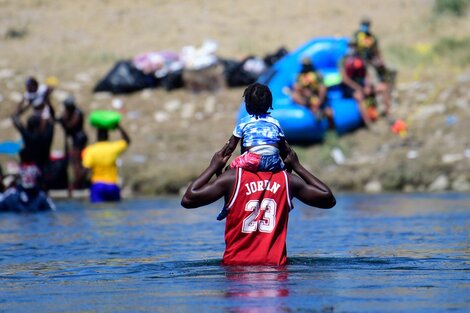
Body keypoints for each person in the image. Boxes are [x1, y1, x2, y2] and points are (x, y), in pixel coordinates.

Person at [181, 142, 335, 266]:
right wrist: (297, 166)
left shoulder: (232, 178)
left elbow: (188, 199)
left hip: (236, 270)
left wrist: (213, 167)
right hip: (275, 270)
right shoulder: (287, 180)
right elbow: (328, 199)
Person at [217, 83, 287, 220]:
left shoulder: (244, 122)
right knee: (286, 176)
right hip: (274, 161)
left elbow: (231, 146)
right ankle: (287, 196)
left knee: (227, 171)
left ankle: (227, 205)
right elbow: (283, 147)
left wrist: (220, 159)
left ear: (247, 105)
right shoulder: (275, 122)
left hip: (252, 159)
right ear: (269, 104)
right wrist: (287, 168)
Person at [353, 17, 392, 116]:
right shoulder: (357, 36)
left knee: (377, 82)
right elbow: (352, 48)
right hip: (359, 63)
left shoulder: (372, 37)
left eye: (367, 25)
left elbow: (376, 50)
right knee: (367, 83)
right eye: (364, 24)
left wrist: (381, 61)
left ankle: (384, 108)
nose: (365, 27)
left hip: (369, 62)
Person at [82, 124, 131, 203]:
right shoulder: (113, 147)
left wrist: (84, 183)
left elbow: (86, 169)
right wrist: (118, 127)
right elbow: (127, 140)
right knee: (114, 210)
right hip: (112, 185)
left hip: (97, 186)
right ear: (107, 136)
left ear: (97, 136)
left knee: (96, 210)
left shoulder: (91, 150)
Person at [339, 40, 375, 127]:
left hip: (361, 84)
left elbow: (366, 74)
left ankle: (378, 116)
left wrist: (367, 85)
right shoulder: (343, 60)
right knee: (359, 97)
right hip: (349, 87)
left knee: (375, 90)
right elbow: (345, 79)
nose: (352, 48)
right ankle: (368, 123)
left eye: (354, 46)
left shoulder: (360, 58)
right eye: (350, 46)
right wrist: (358, 88)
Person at [291, 58, 334, 129]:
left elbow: (322, 86)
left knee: (329, 112)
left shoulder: (317, 73)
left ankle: (320, 112)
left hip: (317, 97)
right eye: (304, 65)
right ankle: (311, 110)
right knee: (295, 94)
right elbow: (296, 87)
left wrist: (317, 99)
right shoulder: (299, 75)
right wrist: (304, 92)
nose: (306, 67)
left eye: (307, 65)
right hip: (306, 98)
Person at [12, 106, 54, 173]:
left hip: (29, 171)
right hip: (44, 169)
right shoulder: (46, 136)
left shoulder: (27, 135)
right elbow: (51, 119)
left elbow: (14, 118)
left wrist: (26, 104)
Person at [58, 95, 88, 190]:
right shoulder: (70, 112)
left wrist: (63, 121)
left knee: (76, 161)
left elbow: (70, 126)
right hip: (76, 138)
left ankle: (78, 182)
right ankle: (79, 181)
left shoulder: (77, 113)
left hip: (79, 138)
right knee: (75, 161)